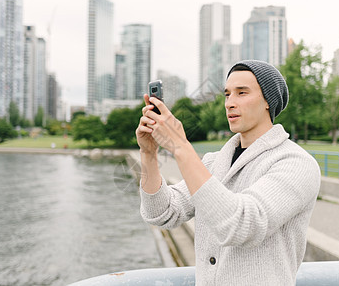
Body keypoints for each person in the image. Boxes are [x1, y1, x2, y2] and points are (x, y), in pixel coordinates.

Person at [136, 60, 321, 285]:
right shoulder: (214, 162)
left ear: (268, 102)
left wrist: (180, 146)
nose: (230, 103)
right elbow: (162, 213)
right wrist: (148, 154)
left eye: (242, 93)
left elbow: (243, 225)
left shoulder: (296, 163)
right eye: (227, 95)